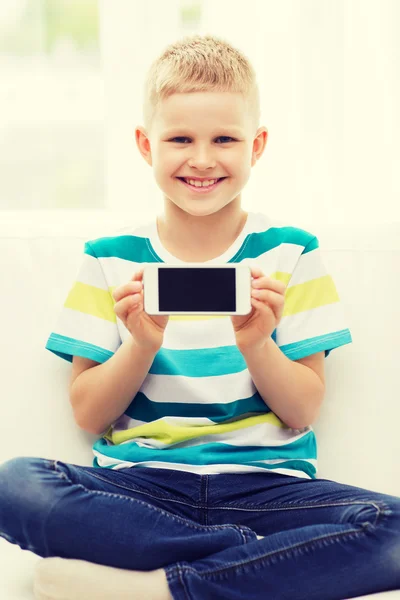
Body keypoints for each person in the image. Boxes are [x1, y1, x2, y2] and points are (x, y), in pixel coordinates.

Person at [0, 33, 399, 600]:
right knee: (16, 485)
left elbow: (303, 409)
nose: (203, 158)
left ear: (256, 146)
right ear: (146, 144)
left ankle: (165, 586)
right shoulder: (107, 260)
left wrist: (259, 344)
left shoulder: (292, 254)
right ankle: (256, 562)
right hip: (141, 488)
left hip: (268, 487)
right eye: (181, 138)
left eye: (225, 139)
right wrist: (138, 344)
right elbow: (90, 413)